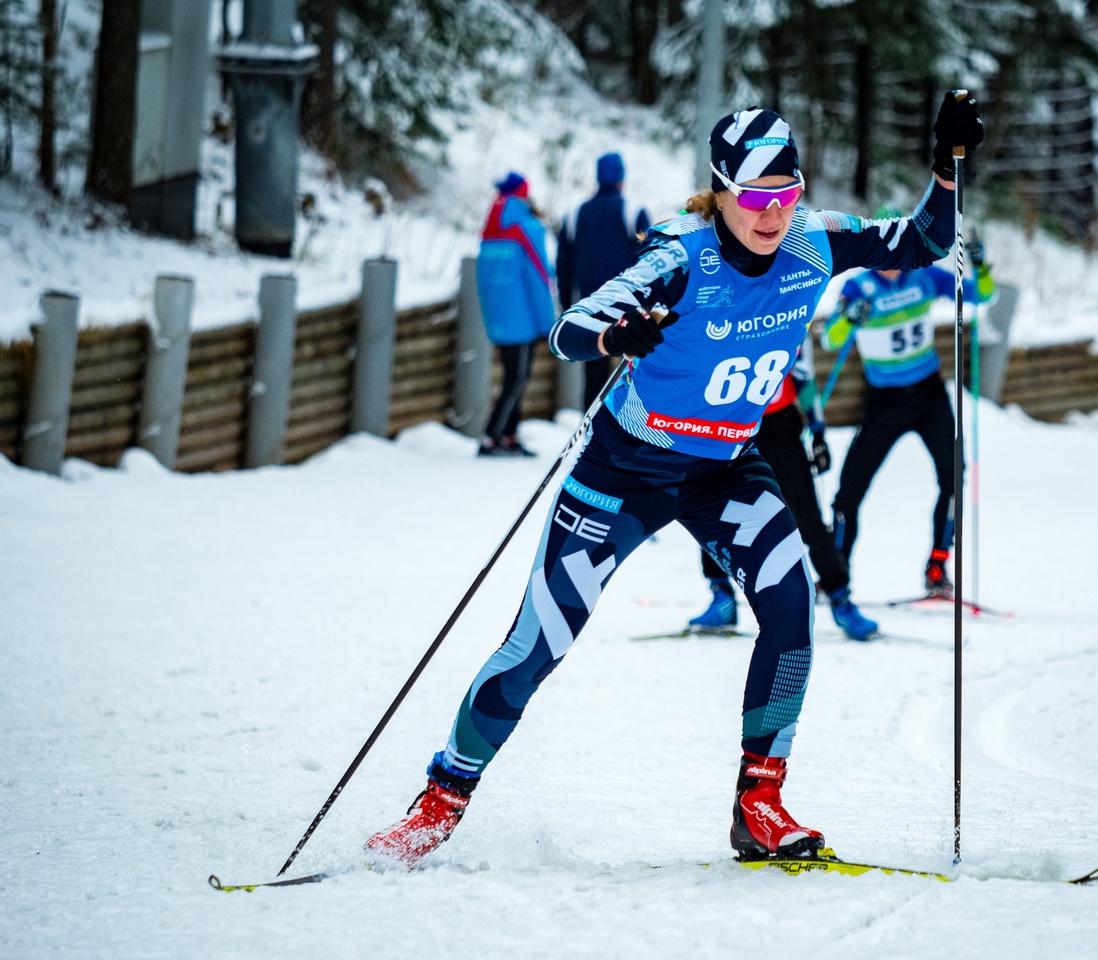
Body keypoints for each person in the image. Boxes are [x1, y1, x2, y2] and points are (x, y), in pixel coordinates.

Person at [365, 98, 983, 868]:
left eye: (785, 194)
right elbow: (568, 330)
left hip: (725, 469)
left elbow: (925, 239)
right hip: (625, 471)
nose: (772, 213)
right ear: (721, 190)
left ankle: (759, 803)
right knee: (540, 642)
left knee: (792, 612)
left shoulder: (816, 242)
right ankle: (438, 803)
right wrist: (620, 332)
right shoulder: (681, 257)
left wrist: (943, 165)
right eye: (755, 196)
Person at [825, 217, 995, 595]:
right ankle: (835, 573)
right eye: (887, 247)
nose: (895, 256)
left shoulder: (924, 276)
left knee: (953, 476)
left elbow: (979, 296)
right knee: (849, 490)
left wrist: (981, 267)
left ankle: (938, 564)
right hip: (884, 402)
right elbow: (831, 340)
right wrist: (849, 318)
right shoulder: (858, 286)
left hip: (928, 395)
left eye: (901, 247)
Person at [687, 338, 880, 640]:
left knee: (807, 516)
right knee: (711, 510)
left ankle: (840, 598)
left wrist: (817, 432)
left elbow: (803, 374)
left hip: (779, 424)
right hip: (727, 422)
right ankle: (721, 597)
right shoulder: (728, 312)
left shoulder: (789, 310)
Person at [556, 152, 652, 408]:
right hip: (631, 310)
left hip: (591, 310)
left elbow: (563, 268)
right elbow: (652, 262)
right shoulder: (634, 211)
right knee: (632, 373)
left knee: (594, 379)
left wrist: (568, 309)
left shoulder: (575, 214)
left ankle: (590, 434)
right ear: (622, 177)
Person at [476, 172, 557, 457]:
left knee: (514, 376)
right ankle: (492, 436)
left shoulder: (490, 230)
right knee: (518, 377)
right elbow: (538, 278)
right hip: (523, 319)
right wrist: (547, 323)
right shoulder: (528, 229)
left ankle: (508, 435)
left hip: (499, 318)